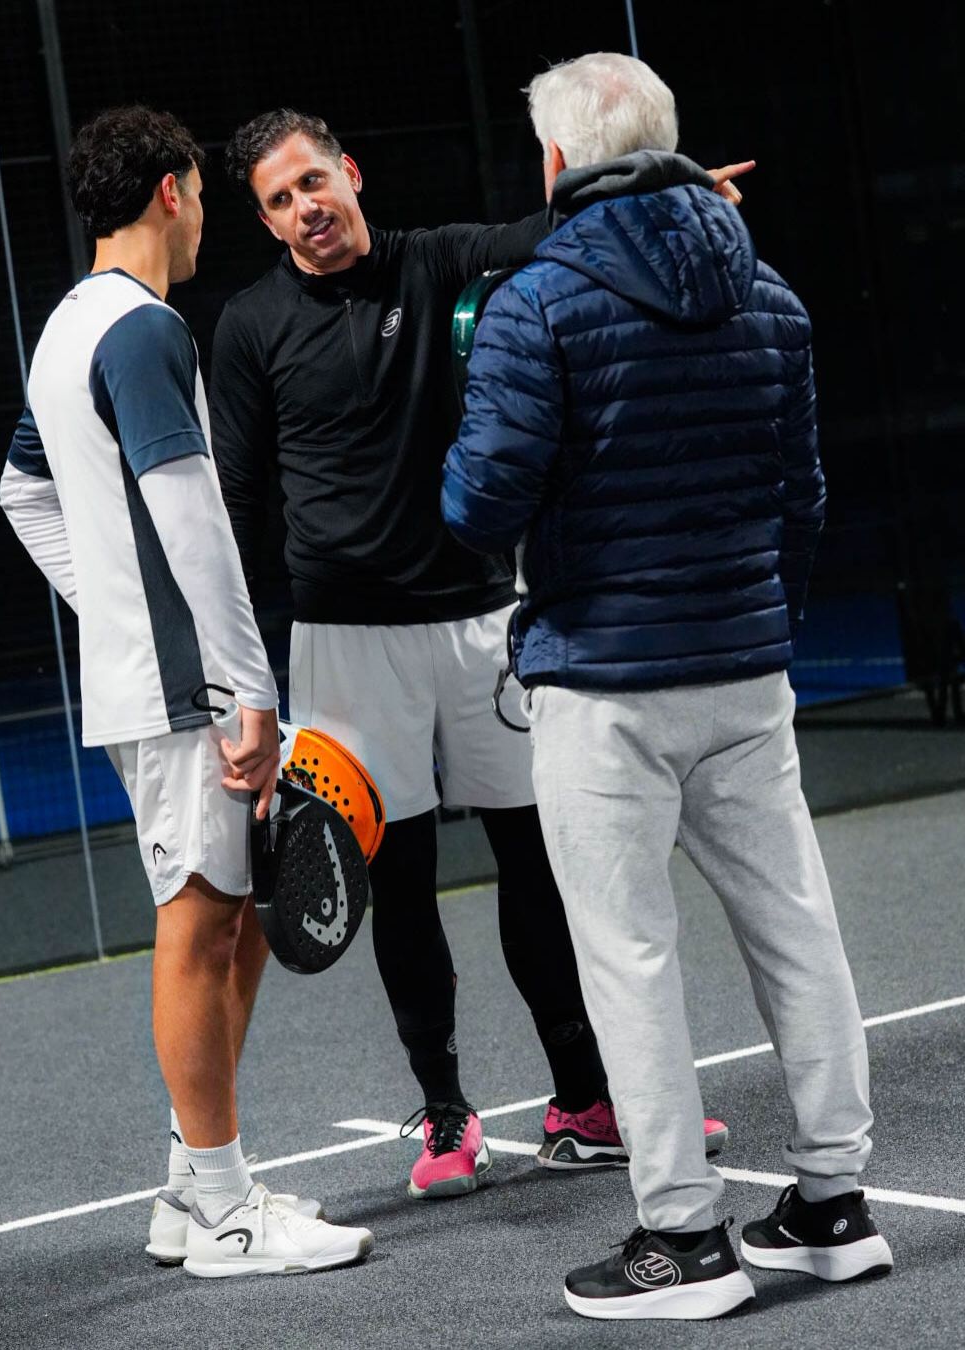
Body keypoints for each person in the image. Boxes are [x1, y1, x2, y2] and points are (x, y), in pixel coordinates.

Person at [210, 109, 743, 1198]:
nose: (306, 210)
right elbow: (237, 499)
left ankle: (584, 1104)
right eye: (279, 201)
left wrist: (667, 193)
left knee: (537, 865)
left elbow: (546, 232)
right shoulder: (250, 325)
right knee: (398, 884)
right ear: (265, 223)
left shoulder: (436, 259)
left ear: (350, 171)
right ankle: (446, 1116)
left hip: (478, 624)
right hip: (344, 649)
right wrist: (249, 672)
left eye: (315, 181)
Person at [443, 52, 893, 1319]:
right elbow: (801, 497)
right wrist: (761, 616)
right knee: (796, 926)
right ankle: (834, 1205)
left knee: (629, 955)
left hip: (606, 682)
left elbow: (480, 505)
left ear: (557, 162)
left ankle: (682, 1241)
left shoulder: (535, 306)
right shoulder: (772, 295)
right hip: (746, 669)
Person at [0, 105, 373, 1278]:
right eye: (207, 195)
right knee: (198, 926)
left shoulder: (68, 328)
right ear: (171, 191)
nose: (209, 215)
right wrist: (246, 685)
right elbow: (192, 517)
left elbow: (23, 494)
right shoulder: (145, 331)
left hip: (152, 678)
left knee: (230, 917)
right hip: (187, 691)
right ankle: (224, 1216)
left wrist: (105, 607)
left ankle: (190, 1191)